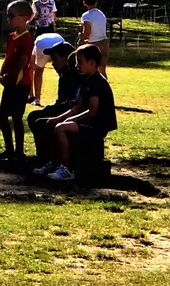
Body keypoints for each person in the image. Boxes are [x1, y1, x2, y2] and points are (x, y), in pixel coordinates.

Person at [47, 43, 117, 182]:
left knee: (61, 129)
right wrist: (58, 118)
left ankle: (66, 169)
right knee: (53, 124)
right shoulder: (87, 80)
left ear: (92, 63)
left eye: (80, 62)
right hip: (89, 122)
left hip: (97, 125)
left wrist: (69, 121)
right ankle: (55, 162)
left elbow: (92, 111)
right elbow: (77, 108)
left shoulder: (96, 83)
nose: (77, 65)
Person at [29, 40, 81, 175]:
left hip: (73, 114)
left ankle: (51, 160)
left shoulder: (75, 77)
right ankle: (46, 158)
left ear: (65, 58)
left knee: (42, 121)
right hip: (64, 111)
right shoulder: (64, 77)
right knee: (34, 117)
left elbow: (73, 103)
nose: (53, 63)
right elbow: (61, 101)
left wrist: (54, 111)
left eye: (55, 59)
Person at [0, 0, 36, 160]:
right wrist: (1, 73)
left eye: (11, 16)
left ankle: (19, 151)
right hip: (10, 82)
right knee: (2, 114)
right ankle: (9, 149)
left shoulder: (26, 38)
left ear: (25, 17)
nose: (9, 19)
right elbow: (8, 58)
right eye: (8, 15)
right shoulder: (12, 36)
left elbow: (22, 61)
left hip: (20, 83)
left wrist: (11, 76)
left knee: (16, 117)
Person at [31, 29, 67, 106]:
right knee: (63, 72)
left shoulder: (38, 41)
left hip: (42, 44)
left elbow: (31, 66)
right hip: (59, 41)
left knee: (39, 70)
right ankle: (64, 98)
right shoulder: (54, 36)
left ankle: (37, 99)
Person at [78, 0, 110, 67]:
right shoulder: (101, 14)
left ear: (84, 2)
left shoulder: (86, 16)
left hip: (94, 45)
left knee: (90, 70)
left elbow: (87, 33)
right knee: (102, 70)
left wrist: (81, 35)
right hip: (104, 42)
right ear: (96, 1)